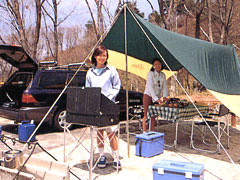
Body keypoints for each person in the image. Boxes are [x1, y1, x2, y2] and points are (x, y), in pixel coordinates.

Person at [85, 45, 121, 169]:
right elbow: (88, 90)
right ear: (95, 56)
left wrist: (108, 98)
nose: (102, 57)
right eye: (100, 55)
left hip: (109, 105)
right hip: (96, 106)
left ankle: (116, 157)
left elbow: (117, 86)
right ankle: (101, 157)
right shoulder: (90, 72)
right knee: (99, 132)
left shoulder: (111, 70)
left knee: (110, 132)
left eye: (104, 55)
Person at [142, 58, 168, 132]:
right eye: (156, 64)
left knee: (153, 115)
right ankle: (144, 132)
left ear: (161, 65)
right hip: (148, 95)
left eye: (159, 64)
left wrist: (165, 96)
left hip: (157, 96)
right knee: (146, 115)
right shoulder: (150, 74)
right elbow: (150, 87)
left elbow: (165, 86)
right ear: (153, 66)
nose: (157, 66)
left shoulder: (163, 75)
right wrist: (156, 98)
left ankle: (152, 131)